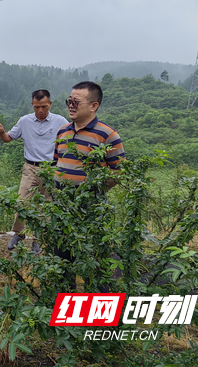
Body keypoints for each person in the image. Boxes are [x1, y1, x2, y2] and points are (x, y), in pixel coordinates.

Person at [53, 81, 125, 291]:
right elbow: (57, 162)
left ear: (94, 106)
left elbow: (118, 171)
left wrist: (94, 190)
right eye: (69, 101)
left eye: (76, 101)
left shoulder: (107, 135)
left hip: (91, 207)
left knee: (95, 258)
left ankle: (99, 311)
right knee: (62, 257)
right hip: (61, 205)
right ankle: (66, 308)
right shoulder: (62, 132)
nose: (71, 105)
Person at [0, 90, 68, 251]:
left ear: (50, 104)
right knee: (22, 203)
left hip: (52, 168)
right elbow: (8, 139)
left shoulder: (60, 121)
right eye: (37, 107)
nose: (40, 111)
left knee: (46, 206)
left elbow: (72, 139)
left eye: (44, 107)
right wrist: (2, 132)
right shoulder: (25, 121)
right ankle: (19, 234)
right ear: (32, 105)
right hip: (30, 167)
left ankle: (39, 238)